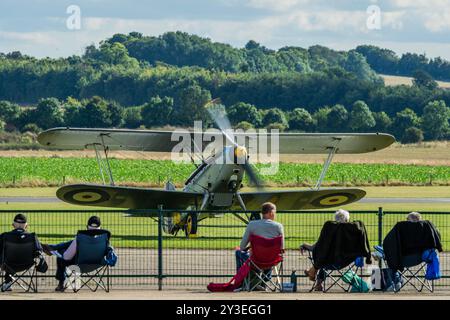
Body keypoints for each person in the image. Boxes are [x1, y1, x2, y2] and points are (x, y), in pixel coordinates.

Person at [300, 209, 371, 291]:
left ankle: (314, 274)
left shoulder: (330, 229)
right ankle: (316, 278)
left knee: (325, 256)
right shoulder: (353, 233)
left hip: (328, 261)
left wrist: (304, 245)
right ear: (347, 220)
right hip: (346, 261)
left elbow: (318, 247)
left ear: (335, 220)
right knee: (327, 256)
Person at [43, 215, 109, 292]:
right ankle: (53, 247)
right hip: (99, 263)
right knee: (71, 243)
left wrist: (57, 253)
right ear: (100, 227)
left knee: (61, 256)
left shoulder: (80, 237)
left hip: (80, 265)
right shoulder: (104, 238)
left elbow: (67, 257)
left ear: (87, 227)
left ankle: (61, 283)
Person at [235, 202, 284, 289]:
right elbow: (281, 248)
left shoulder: (252, 225)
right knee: (271, 255)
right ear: (271, 213)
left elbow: (242, 246)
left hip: (255, 260)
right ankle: (264, 281)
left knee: (238, 252)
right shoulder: (279, 226)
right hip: (272, 260)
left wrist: (250, 247)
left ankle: (243, 282)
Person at [0, 214, 44, 291]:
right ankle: (7, 283)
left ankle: (7, 283)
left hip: (7, 263)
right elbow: (39, 251)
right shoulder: (32, 236)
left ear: (13, 225)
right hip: (27, 264)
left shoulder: (5, 236)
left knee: (8, 257)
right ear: (26, 226)